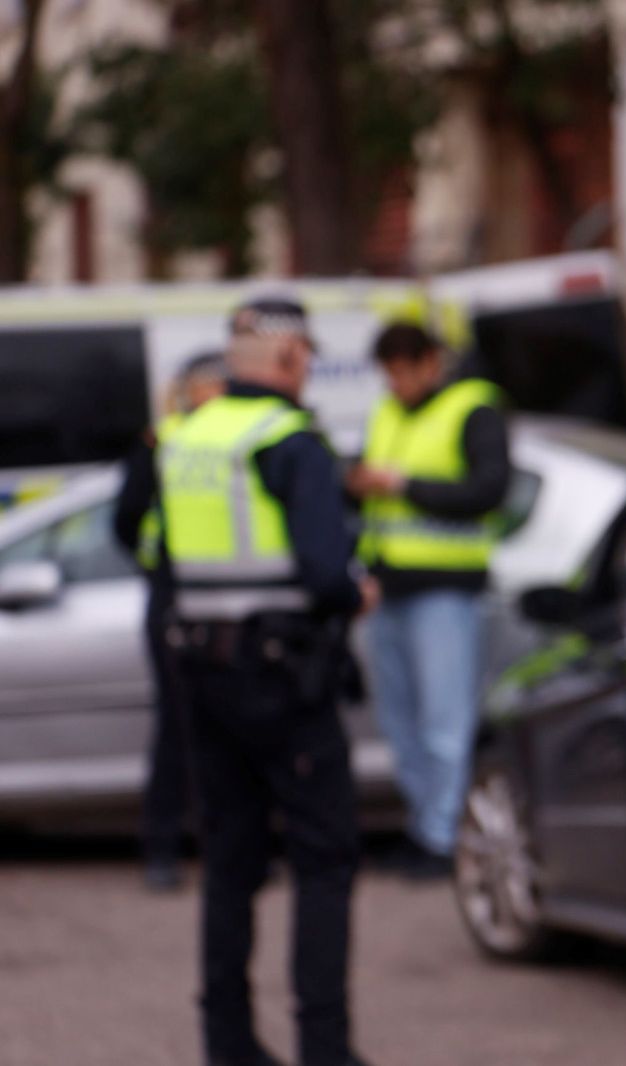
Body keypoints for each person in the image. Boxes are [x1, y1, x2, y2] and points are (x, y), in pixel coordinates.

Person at [158, 297, 376, 1066]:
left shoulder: (184, 439)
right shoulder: (291, 440)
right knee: (324, 859)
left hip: (201, 673)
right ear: (285, 359)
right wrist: (358, 592)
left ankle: (227, 1043)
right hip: (283, 678)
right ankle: (326, 1049)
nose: (309, 366)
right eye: (305, 354)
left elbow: (156, 555)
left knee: (230, 862)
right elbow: (324, 570)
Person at [347, 322, 509, 879]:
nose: (394, 383)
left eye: (402, 370)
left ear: (431, 363)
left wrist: (402, 484)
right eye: (387, 373)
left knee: (445, 724)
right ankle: (424, 826)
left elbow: (489, 491)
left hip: (446, 591)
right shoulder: (387, 414)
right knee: (400, 724)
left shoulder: (473, 409)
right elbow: (373, 511)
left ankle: (444, 838)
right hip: (388, 589)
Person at [113, 351, 227, 891]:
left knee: (232, 726)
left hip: (225, 592)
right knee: (178, 726)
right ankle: (163, 848)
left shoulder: (234, 439)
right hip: (176, 592)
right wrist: (155, 563)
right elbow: (125, 520)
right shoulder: (162, 440)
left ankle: (232, 847)